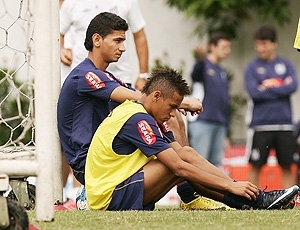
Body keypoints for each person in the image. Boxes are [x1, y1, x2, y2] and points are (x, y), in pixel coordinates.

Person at [85, 67, 299, 211]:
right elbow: (179, 167)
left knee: (184, 154)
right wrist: (230, 186)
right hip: (108, 199)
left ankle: (250, 201)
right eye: (172, 107)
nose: (173, 113)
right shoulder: (137, 118)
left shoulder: (145, 113)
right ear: (156, 96)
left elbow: (185, 154)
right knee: (177, 166)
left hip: (119, 188)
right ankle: (255, 199)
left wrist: (230, 184)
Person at [57, 12, 203, 208]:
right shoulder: (85, 76)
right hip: (93, 164)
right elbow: (141, 98)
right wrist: (184, 103)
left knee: (172, 118)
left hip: (111, 156)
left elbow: (142, 98)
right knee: (173, 131)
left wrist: (171, 107)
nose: (123, 48)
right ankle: (191, 195)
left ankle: (192, 193)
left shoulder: (106, 77)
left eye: (124, 41)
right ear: (97, 40)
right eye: (117, 41)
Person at [244, 25, 298, 189]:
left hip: (285, 124)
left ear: (274, 44)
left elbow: (293, 86)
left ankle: (290, 199)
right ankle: (252, 199)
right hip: (261, 125)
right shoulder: (251, 67)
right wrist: (280, 86)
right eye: (258, 44)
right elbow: (254, 92)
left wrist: (267, 86)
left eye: (264, 44)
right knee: (256, 164)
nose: (261, 48)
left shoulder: (286, 65)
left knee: (287, 165)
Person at [59, 0, 149, 90]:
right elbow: (57, 30)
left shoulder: (127, 2)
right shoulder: (72, 2)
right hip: (85, 79)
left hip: (120, 76)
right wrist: (61, 49)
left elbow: (140, 37)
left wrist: (143, 74)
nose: (123, 48)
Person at [188, 32, 231, 168]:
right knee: (201, 163)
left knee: (216, 165)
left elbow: (224, 101)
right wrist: (200, 59)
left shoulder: (221, 71)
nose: (227, 51)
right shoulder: (203, 65)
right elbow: (195, 75)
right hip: (203, 120)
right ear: (212, 47)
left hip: (220, 123)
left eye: (228, 47)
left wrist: (227, 131)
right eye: (224, 47)